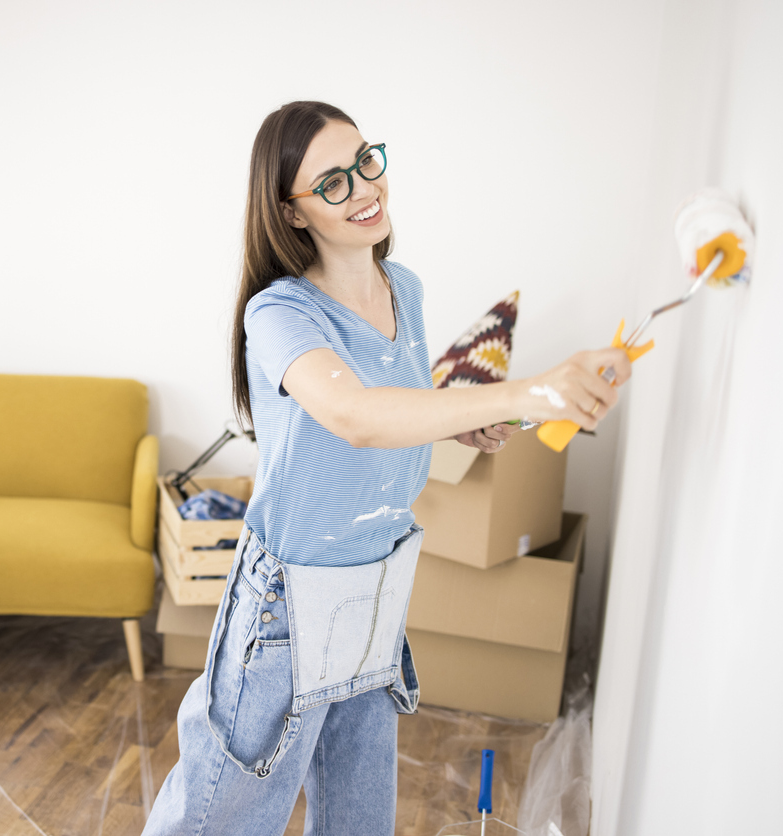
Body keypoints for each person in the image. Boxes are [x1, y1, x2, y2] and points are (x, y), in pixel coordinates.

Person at [142, 101, 630, 836]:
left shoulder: (404, 289)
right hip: (283, 611)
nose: (363, 187)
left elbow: (401, 403)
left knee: (359, 821)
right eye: (331, 182)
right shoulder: (278, 314)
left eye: (365, 161)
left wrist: (468, 419)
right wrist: (531, 386)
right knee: (220, 821)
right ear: (291, 212)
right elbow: (355, 415)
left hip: (374, 593)